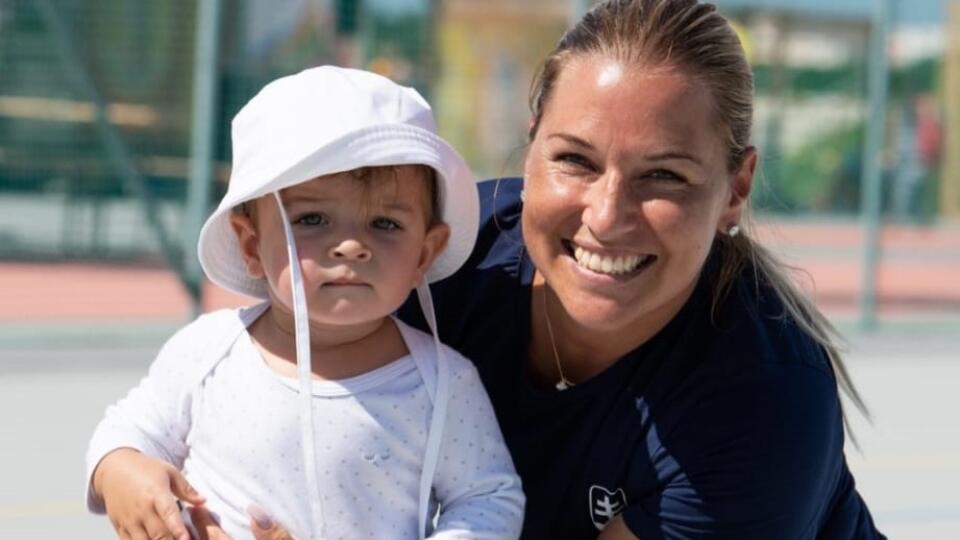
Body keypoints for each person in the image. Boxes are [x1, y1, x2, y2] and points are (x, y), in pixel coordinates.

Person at [93, 1, 887, 539]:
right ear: (531, 139)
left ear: (735, 189)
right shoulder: (431, 265)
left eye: (665, 176)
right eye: (575, 160)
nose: (607, 215)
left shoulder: (757, 401)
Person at [84, 66, 524, 540]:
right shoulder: (208, 351)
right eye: (312, 219)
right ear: (252, 245)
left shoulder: (443, 384)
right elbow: (130, 428)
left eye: (386, 224)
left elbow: (487, 500)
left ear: (425, 251)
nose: (352, 246)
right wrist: (121, 471)